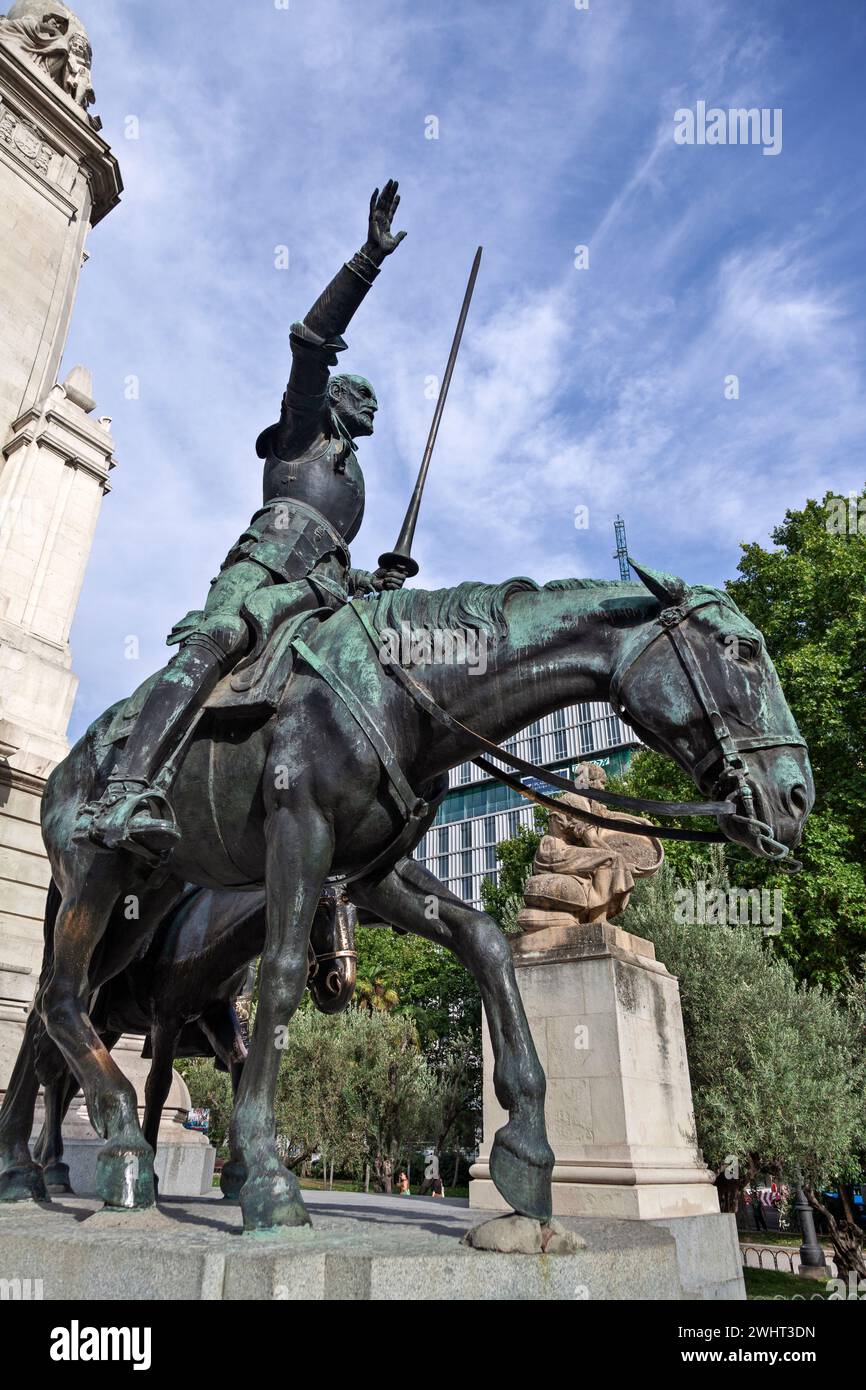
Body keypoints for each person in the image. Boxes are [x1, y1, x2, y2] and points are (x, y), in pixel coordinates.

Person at [80, 181, 409, 860]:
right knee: (219, 639)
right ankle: (126, 790)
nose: (375, 408)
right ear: (336, 400)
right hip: (260, 572)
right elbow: (311, 341)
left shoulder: (353, 472)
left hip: (322, 591)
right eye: (365, 396)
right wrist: (365, 263)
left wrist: (374, 580)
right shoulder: (299, 432)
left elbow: (332, 556)